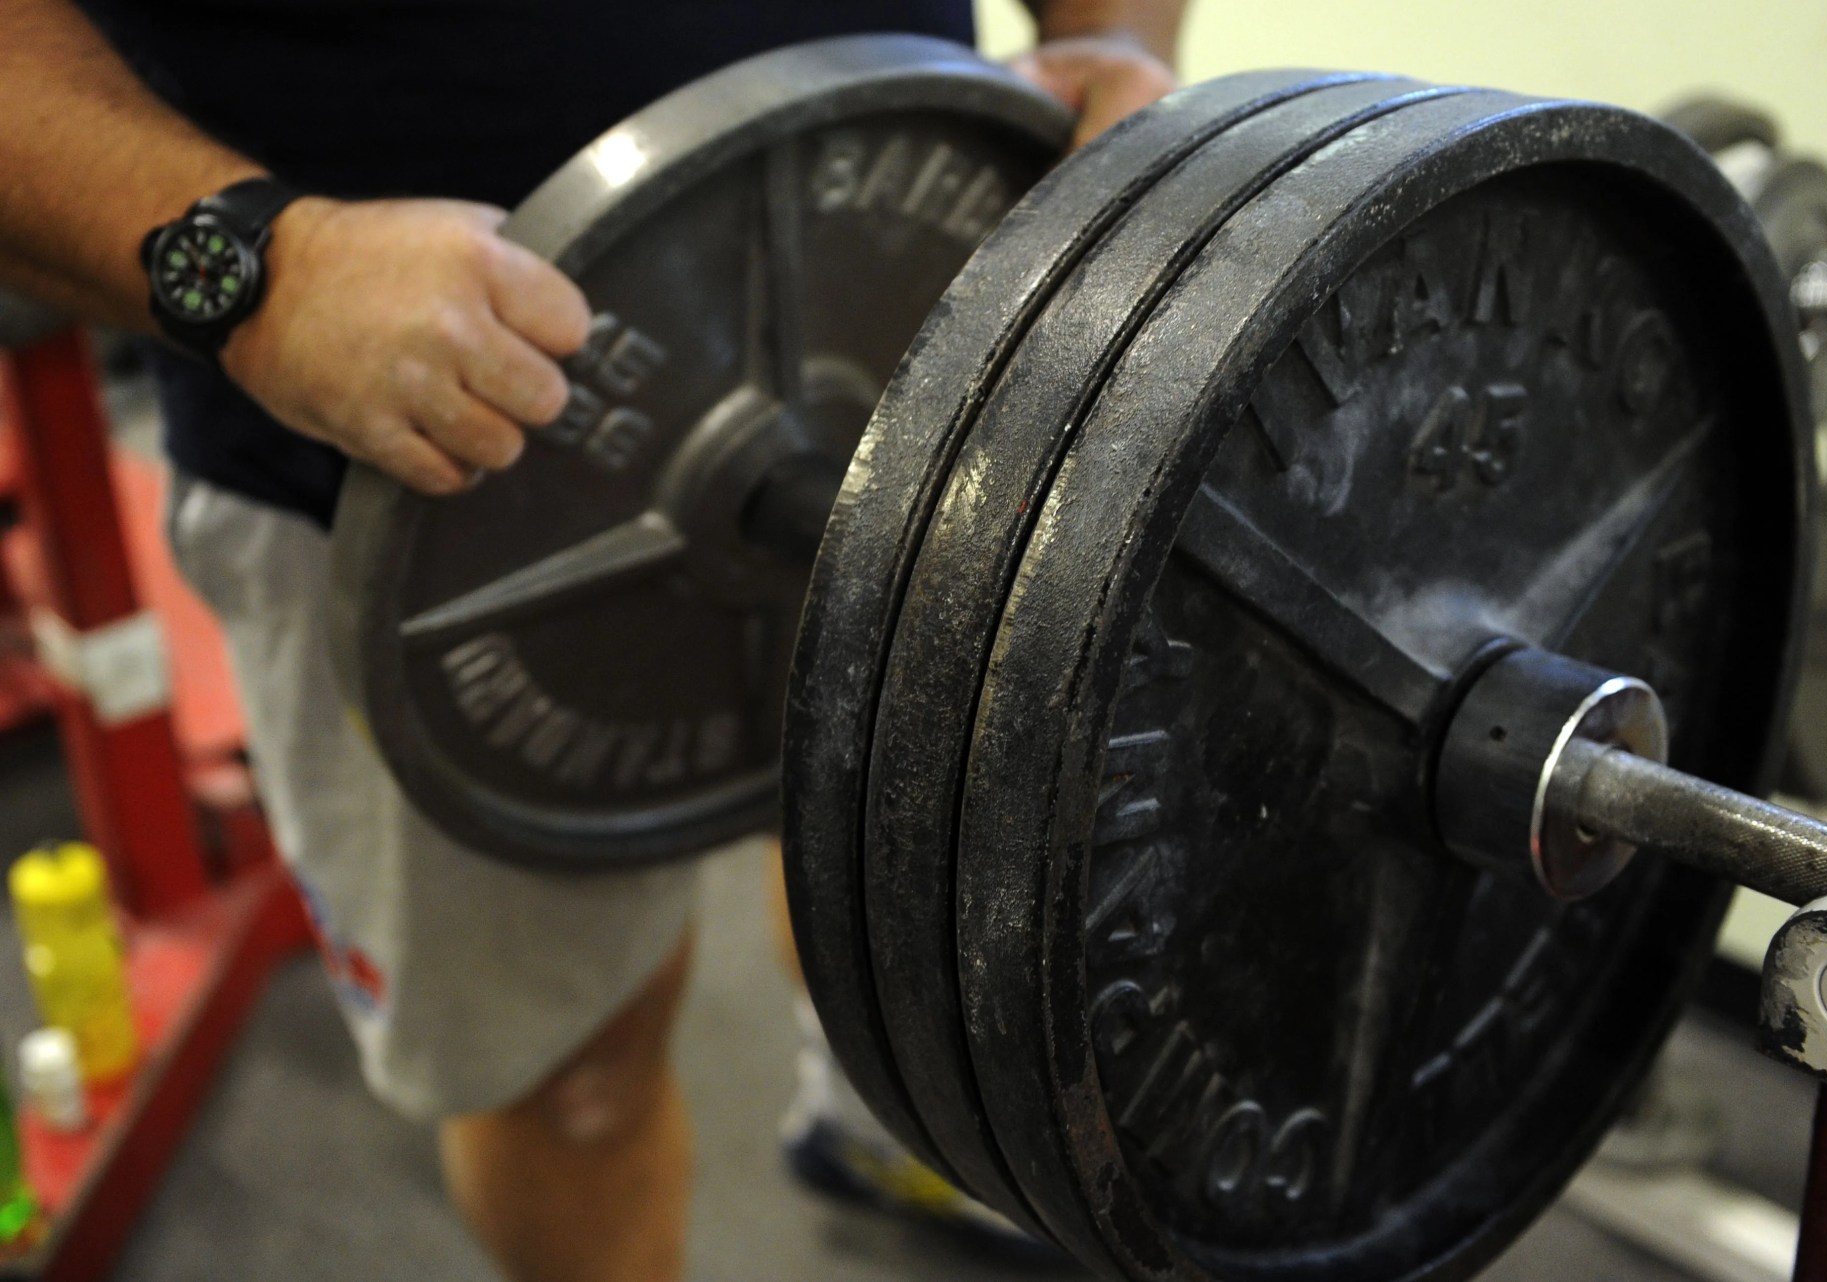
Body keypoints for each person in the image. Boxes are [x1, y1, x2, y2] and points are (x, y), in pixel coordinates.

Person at [0, 0, 1184, 1278]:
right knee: (575, 1086)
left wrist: (1125, 47)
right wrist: (258, 268)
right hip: (406, 472)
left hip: (907, 313)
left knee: (911, 875)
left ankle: (884, 1132)